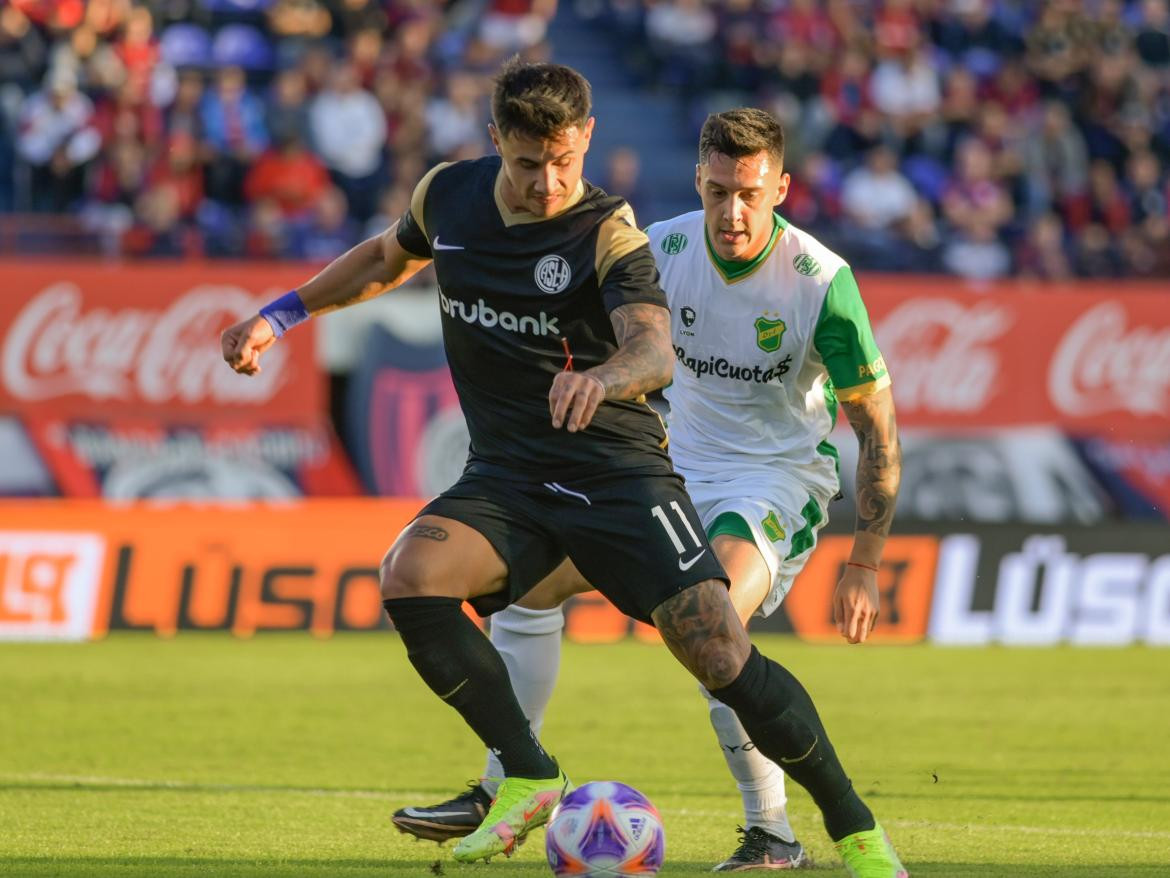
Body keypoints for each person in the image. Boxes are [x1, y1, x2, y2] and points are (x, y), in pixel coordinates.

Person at [221, 61, 905, 877]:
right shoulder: (450, 197)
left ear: (585, 142)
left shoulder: (618, 234)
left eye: (563, 163)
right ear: (495, 143)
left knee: (718, 651)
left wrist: (604, 376)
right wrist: (280, 312)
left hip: (643, 473)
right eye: (526, 164)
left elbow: (652, 346)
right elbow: (383, 259)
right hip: (512, 472)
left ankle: (842, 831)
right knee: (415, 575)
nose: (547, 183)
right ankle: (523, 777)